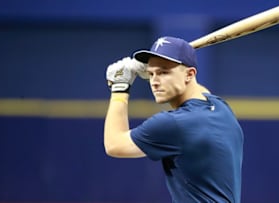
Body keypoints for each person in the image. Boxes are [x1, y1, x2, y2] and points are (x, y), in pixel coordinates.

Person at [104, 36, 244, 203]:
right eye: (151, 74)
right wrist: (159, 67)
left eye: (164, 72)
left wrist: (120, 88)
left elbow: (114, 145)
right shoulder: (221, 108)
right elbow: (200, 89)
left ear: (190, 74)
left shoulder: (174, 124)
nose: (154, 82)